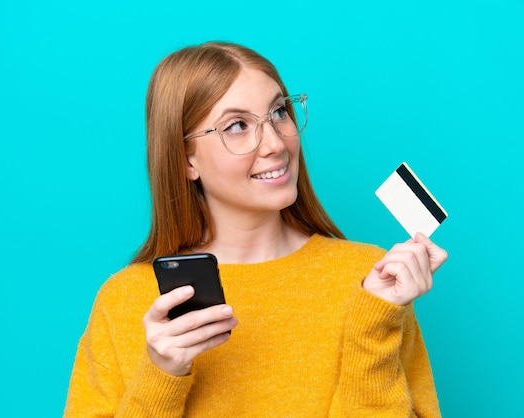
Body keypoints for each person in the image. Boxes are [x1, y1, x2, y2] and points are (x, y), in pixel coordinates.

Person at [63, 41, 448, 417]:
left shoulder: (373, 281)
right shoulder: (124, 302)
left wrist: (374, 325)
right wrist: (161, 376)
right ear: (185, 161)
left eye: (279, 112)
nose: (275, 143)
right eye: (237, 126)